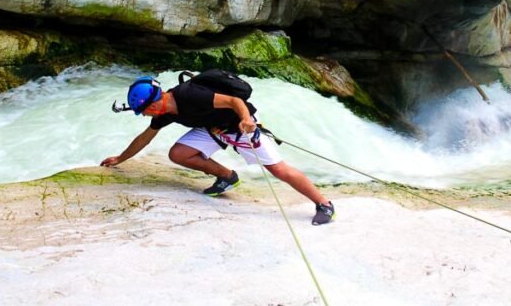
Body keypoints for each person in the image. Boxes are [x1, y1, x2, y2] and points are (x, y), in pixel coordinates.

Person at [100, 74, 336, 225]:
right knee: (178, 153)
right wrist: (120, 158)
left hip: (241, 125)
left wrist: (247, 121)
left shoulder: (190, 95)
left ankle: (323, 204)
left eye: (144, 111)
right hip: (214, 129)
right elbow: (145, 138)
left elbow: (235, 102)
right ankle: (227, 177)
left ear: (154, 103)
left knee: (278, 170)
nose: (145, 116)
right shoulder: (166, 112)